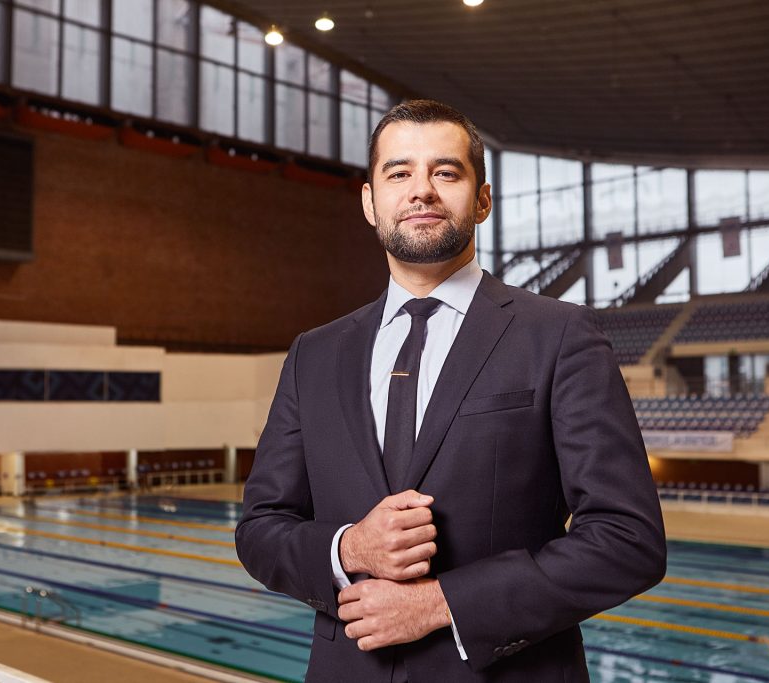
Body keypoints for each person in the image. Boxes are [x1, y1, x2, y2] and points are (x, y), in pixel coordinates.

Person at [235, 99, 666, 682]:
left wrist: (441, 604)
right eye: (399, 173)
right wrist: (349, 549)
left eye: (445, 172)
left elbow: (628, 538)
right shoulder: (314, 354)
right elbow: (260, 528)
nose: (422, 191)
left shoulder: (559, 334)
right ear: (369, 202)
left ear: (482, 199)